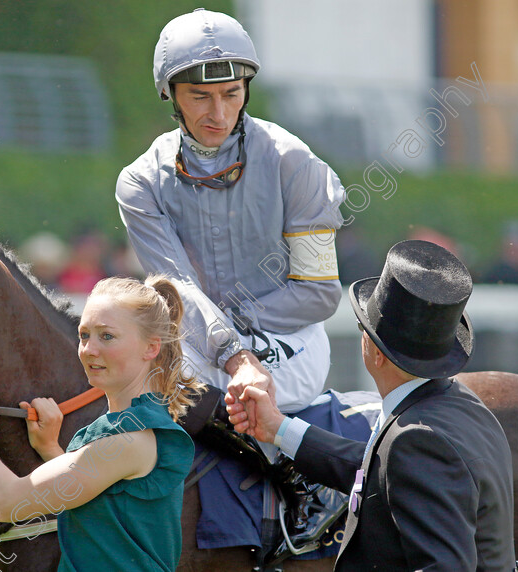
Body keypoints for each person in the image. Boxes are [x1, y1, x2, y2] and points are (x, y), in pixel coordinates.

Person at [115, 7, 350, 556]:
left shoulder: (297, 164)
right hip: (193, 331)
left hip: (287, 335)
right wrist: (225, 345)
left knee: (199, 388)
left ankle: (306, 482)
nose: (218, 112)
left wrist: (237, 343)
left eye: (232, 92)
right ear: (171, 95)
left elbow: (319, 292)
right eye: (200, 96)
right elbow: (176, 289)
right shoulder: (140, 183)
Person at [229, 240, 516, 570]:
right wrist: (278, 429)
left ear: (377, 353)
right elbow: (381, 472)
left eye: (362, 327)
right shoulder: (464, 407)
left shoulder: (417, 441)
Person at [0, 275, 201, 571]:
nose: (89, 349)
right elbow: (99, 505)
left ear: (151, 347)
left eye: (107, 336)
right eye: (84, 335)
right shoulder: (128, 431)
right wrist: (51, 450)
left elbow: (6, 502)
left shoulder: (130, 440)